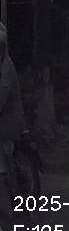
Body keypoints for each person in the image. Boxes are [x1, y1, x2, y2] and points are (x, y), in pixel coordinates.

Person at [0, 21, 27, 205]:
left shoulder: (7, 67)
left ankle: (15, 197)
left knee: (4, 160)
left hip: (9, 122)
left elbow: (2, 96)